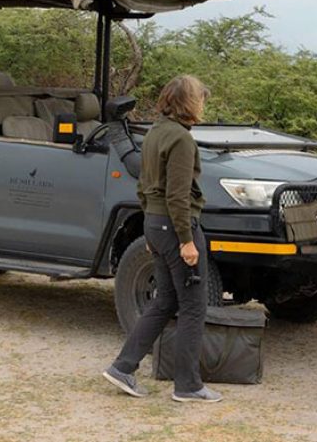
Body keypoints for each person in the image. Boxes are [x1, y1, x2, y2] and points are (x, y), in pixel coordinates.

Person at [102, 75, 222, 403]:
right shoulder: (181, 140)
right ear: (189, 102)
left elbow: (143, 184)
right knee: (194, 307)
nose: (203, 104)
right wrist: (186, 240)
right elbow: (178, 195)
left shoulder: (155, 132)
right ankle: (188, 385)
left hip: (155, 223)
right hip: (175, 226)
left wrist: (150, 227)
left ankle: (123, 367)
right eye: (201, 99)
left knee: (165, 301)